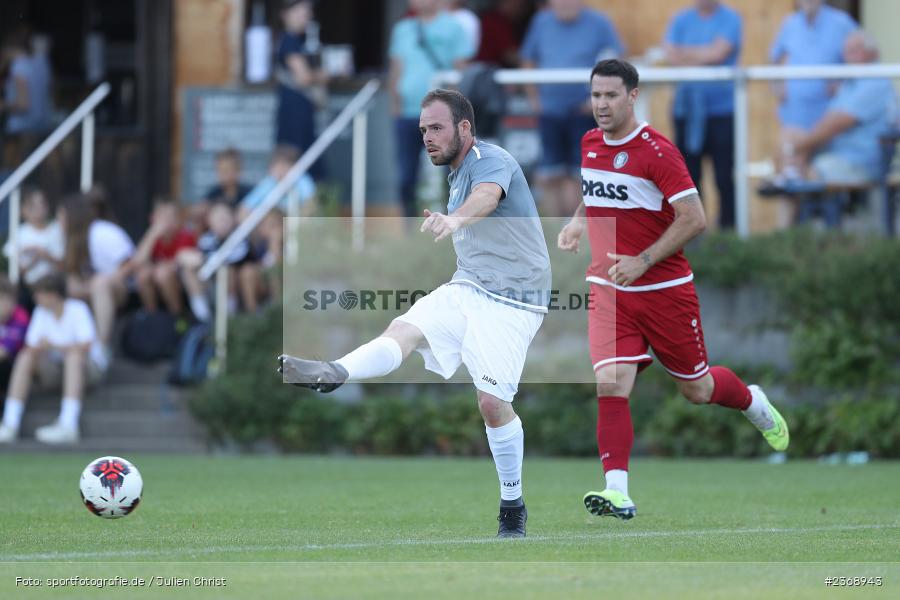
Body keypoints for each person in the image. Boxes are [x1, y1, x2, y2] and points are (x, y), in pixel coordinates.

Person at [279, 89, 551, 538]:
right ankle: (335, 371)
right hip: (468, 287)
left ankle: (512, 505)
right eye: (423, 129)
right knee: (404, 328)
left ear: (464, 127)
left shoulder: (490, 158)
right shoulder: (456, 171)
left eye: (437, 127)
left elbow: (488, 196)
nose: (427, 137)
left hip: (516, 300)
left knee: (492, 404)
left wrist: (456, 219)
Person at [557, 59, 788, 520]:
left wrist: (642, 260)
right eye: (596, 95)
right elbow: (596, 187)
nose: (601, 104)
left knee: (698, 390)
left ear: (632, 95)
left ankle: (752, 400)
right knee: (610, 382)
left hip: (663, 290)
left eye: (610, 95)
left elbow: (695, 218)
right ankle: (616, 490)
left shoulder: (657, 152)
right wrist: (578, 222)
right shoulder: (589, 142)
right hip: (608, 288)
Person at [772, 31, 897, 227]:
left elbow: (835, 124)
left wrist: (798, 148)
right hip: (836, 155)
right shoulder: (850, 83)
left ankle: (794, 232)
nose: (849, 56)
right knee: (789, 135)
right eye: (846, 51)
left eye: (856, 50)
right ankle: (785, 230)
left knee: (802, 171)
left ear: (872, 53)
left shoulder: (875, 81)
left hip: (861, 163)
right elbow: (827, 121)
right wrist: (798, 147)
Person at [520, 0, 624, 217]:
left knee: (581, 175)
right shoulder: (541, 22)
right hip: (549, 110)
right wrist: (534, 99)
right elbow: (528, 59)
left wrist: (597, 101)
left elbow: (616, 62)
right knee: (550, 174)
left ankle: (576, 236)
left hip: (584, 112)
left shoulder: (599, 23)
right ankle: (556, 236)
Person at [388, 0, 474, 218]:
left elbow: (461, 73)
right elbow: (396, 69)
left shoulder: (454, 27)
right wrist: (395, 105)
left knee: (451, 173)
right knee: (406, 176)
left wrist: (454, 112)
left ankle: (451, 224)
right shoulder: (402, 28)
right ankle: (409, 227)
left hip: (442, 116)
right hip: (407, 113)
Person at [663, 0, 742, 230]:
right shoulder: (681, 19)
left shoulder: (730, 18)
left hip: (721, 111)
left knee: (724, 177)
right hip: (686, 111)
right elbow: (670, 55)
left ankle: (728, 231)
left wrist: (684, 54)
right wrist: (705, 53)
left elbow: (718, 54)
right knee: (689, 178)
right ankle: (693, 231)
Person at [0, 274, 104, 444]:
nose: (35, 298)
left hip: (88, 370)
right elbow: (32, 347)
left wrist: (53, 346)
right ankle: (10, 423)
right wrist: (53, 347)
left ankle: (68, 424)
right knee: (25, 357)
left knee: (73, 357)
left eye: (39, 293)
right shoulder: (40, 313)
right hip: (54, 370)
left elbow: (85, 346)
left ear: (53, 295)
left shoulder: (78, 309)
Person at [59, 192, 135, 366]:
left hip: (122, 290)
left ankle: (101, 347)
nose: (59, 220)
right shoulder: (69, 239)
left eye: (62, 215)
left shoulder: (103, 232)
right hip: (91, 289)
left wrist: (102, 282)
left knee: (100, 283)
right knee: (70, 285)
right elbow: (72, 274)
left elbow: (131, 264)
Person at [770, 0, 857, 133]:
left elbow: (862, 56)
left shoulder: (841, 22)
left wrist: (844, 86)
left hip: (830, 113)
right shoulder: (790, 23)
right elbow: (774, 59)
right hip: (794, 113)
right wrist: (778, 87)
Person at [178, 203, 261, 321]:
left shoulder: (240, 237)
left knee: (227, 269)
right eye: (217, 218)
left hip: (235, 283)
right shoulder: (206, 239)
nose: (222, 221)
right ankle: (202, 316)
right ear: (209, 222)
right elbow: (203, 256)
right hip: (211, 282)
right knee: (189, 269)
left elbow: (235, 258)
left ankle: (229, 314)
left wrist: (206, 259)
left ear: (233, 219)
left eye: (224, 217)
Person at [275, 0, 327, 180]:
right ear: (286, 14)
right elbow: (303, 77)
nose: (306, 17)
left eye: (307, 13)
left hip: (301, 112)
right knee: (293, 163)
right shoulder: (290, 40)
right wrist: (327, 74)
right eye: (301, 12)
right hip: (293, 113)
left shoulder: (299, 40)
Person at [132, 198, 197, 316]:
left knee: (163, 274)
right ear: (153, 219)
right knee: (143, 275)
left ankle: (177, 316)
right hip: (156, 279)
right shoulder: (152, 236)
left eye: (171, 216)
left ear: (179, 220)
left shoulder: (185, 236)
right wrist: (152, 235)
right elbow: (137, 262)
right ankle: (151, 316)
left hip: (180, 281)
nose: (167, 221)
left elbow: (178, 264)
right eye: (162, 216)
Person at [2, 186, 64, 310]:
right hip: (29, 286)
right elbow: (14, 268)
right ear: (23, 210)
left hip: (54, 283)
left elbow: (64, 264)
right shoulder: (20, 233)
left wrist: (43, 254)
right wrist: (34, 259)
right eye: (32, 206)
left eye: (42, 204)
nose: (38, 209)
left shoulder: (56, 229)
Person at [0, 276, 29, 396]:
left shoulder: (20, 316)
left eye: (11, 300)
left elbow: (5, 352)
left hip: (13, 366)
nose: (8, 305)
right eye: (3, 300)